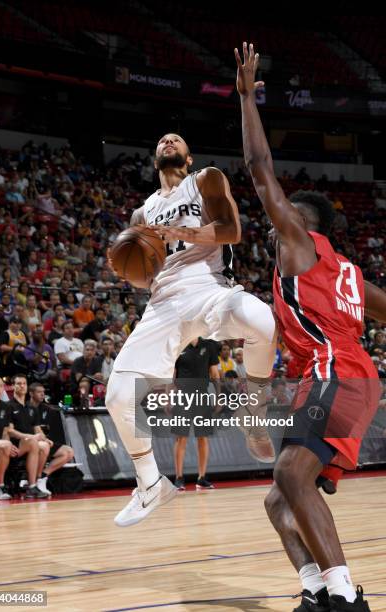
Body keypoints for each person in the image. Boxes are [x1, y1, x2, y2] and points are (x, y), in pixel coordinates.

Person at [235, 42, 386, 612]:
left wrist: (247, 96)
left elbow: (257, 168)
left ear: (301, 223)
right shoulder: (349, 274)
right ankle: (318, 591)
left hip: (334, 372)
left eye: (282, 219)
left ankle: (347, 598)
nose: (273, 228)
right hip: (346, 376)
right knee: (279, 500)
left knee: (291, 474)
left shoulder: (300, 244)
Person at [105, 132, 277, 527]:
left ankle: (254, 408)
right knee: (117, 394)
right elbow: (145, 275)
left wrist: (181, 234)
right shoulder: (141, 214)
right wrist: (127, 267)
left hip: (209, 287)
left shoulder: (205, 180)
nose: (167, 140)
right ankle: (150, 484)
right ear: (153, 159)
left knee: (262, 320)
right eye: (162, 140)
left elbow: (231, 230)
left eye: (176, 139)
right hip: (163, 304)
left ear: (188, 155)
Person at [171, 337, 220, 491]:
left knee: (203, 437)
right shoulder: (179, 344)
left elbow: (214, 373)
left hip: (202, 395)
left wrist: (219, 397)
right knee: (181, 438)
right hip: (183, 395)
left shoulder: (208, 345)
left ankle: (202, 478)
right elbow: (172, 374)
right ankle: (179, 478)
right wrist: (168, 397)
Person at [7, 375, 49, 498]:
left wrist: (45, 438)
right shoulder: (8, 406)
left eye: (24, 383)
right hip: (15, 444)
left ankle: (35, 481)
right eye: (18, 383)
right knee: (33, 442)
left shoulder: (32, 408)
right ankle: (31, 486)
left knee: (45, 446)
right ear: (12, 386)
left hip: (30, 442)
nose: (22, 386)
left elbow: (37, 429)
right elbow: (10, 431)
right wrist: (31, 437)